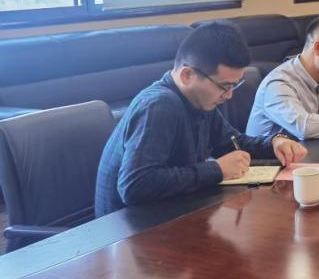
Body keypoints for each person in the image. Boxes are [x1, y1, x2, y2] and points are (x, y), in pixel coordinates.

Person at [95, 22, 307, 217]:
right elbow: (135, 186)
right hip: (131, 230)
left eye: (234, 86)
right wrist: (217, 170)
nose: (229, 96)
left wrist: (274, 143)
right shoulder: (159, 106)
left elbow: (233, 143)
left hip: (173, 213)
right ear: (187, 75)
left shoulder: (200, 100)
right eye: (224, 86)